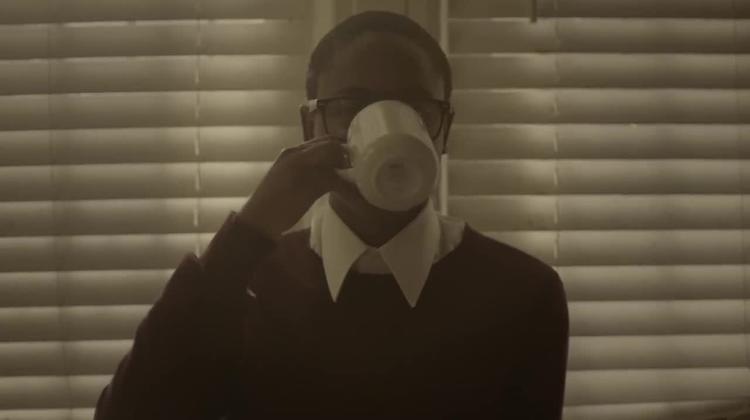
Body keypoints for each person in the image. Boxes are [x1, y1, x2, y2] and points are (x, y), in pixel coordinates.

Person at [94, 10, 569, 419]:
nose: (387, 130)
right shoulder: (244, 287)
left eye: (415, 107)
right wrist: (249, 231)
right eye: (350, 107)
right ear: (310, 126)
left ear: (444, 130)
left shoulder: (522, 295)